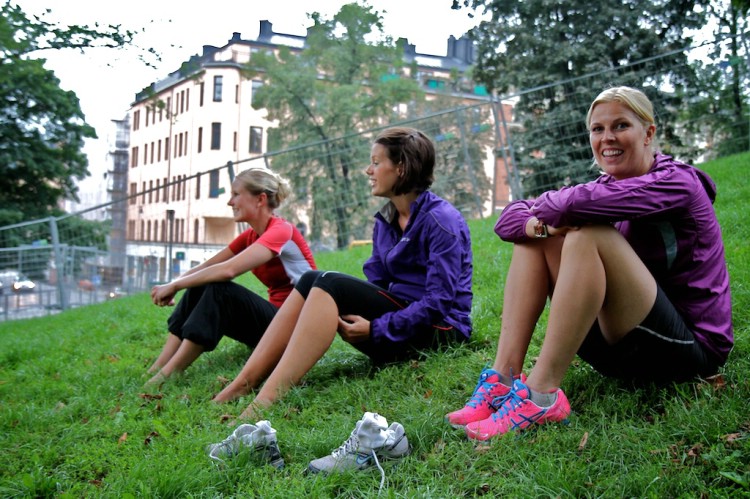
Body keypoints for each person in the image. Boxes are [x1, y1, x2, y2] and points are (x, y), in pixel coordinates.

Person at [445, 86, 733, 441]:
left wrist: (557, 213)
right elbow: (508, 222)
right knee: (533, 240)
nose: (607, 137)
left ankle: (540, 395)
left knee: (587, 233)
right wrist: (540, 225)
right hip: (624, 350)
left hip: (688, 351)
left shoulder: (678, 183)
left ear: (649, 133)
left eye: (621, 125)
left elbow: (563, 207)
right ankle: (502, 381)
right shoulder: (604, 187)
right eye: (598, 129)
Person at [212, 127, 473, 418]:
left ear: (401, 168)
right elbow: (376, 285)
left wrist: (377, 328)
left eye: (376, 162)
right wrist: (361, 314)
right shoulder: (386, 220)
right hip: (399, 326)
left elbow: (438, 303)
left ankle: (263, 403)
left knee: (327, 280)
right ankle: (242, 383)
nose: (367, 170)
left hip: (440, 333)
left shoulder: (441, 220)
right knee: (313, 279)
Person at [146, 167, 316, 385]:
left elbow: (229, 270)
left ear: (260, 199)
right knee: (203, 282)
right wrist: (172, 283)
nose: (230, 202)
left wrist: (175, 287)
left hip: (295, 329)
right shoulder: (251, 236)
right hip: (273, 326)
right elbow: (208, 266)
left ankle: (171, 372)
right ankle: (159, 365)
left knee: (220, 288)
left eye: (236, 194)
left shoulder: (282, 231)